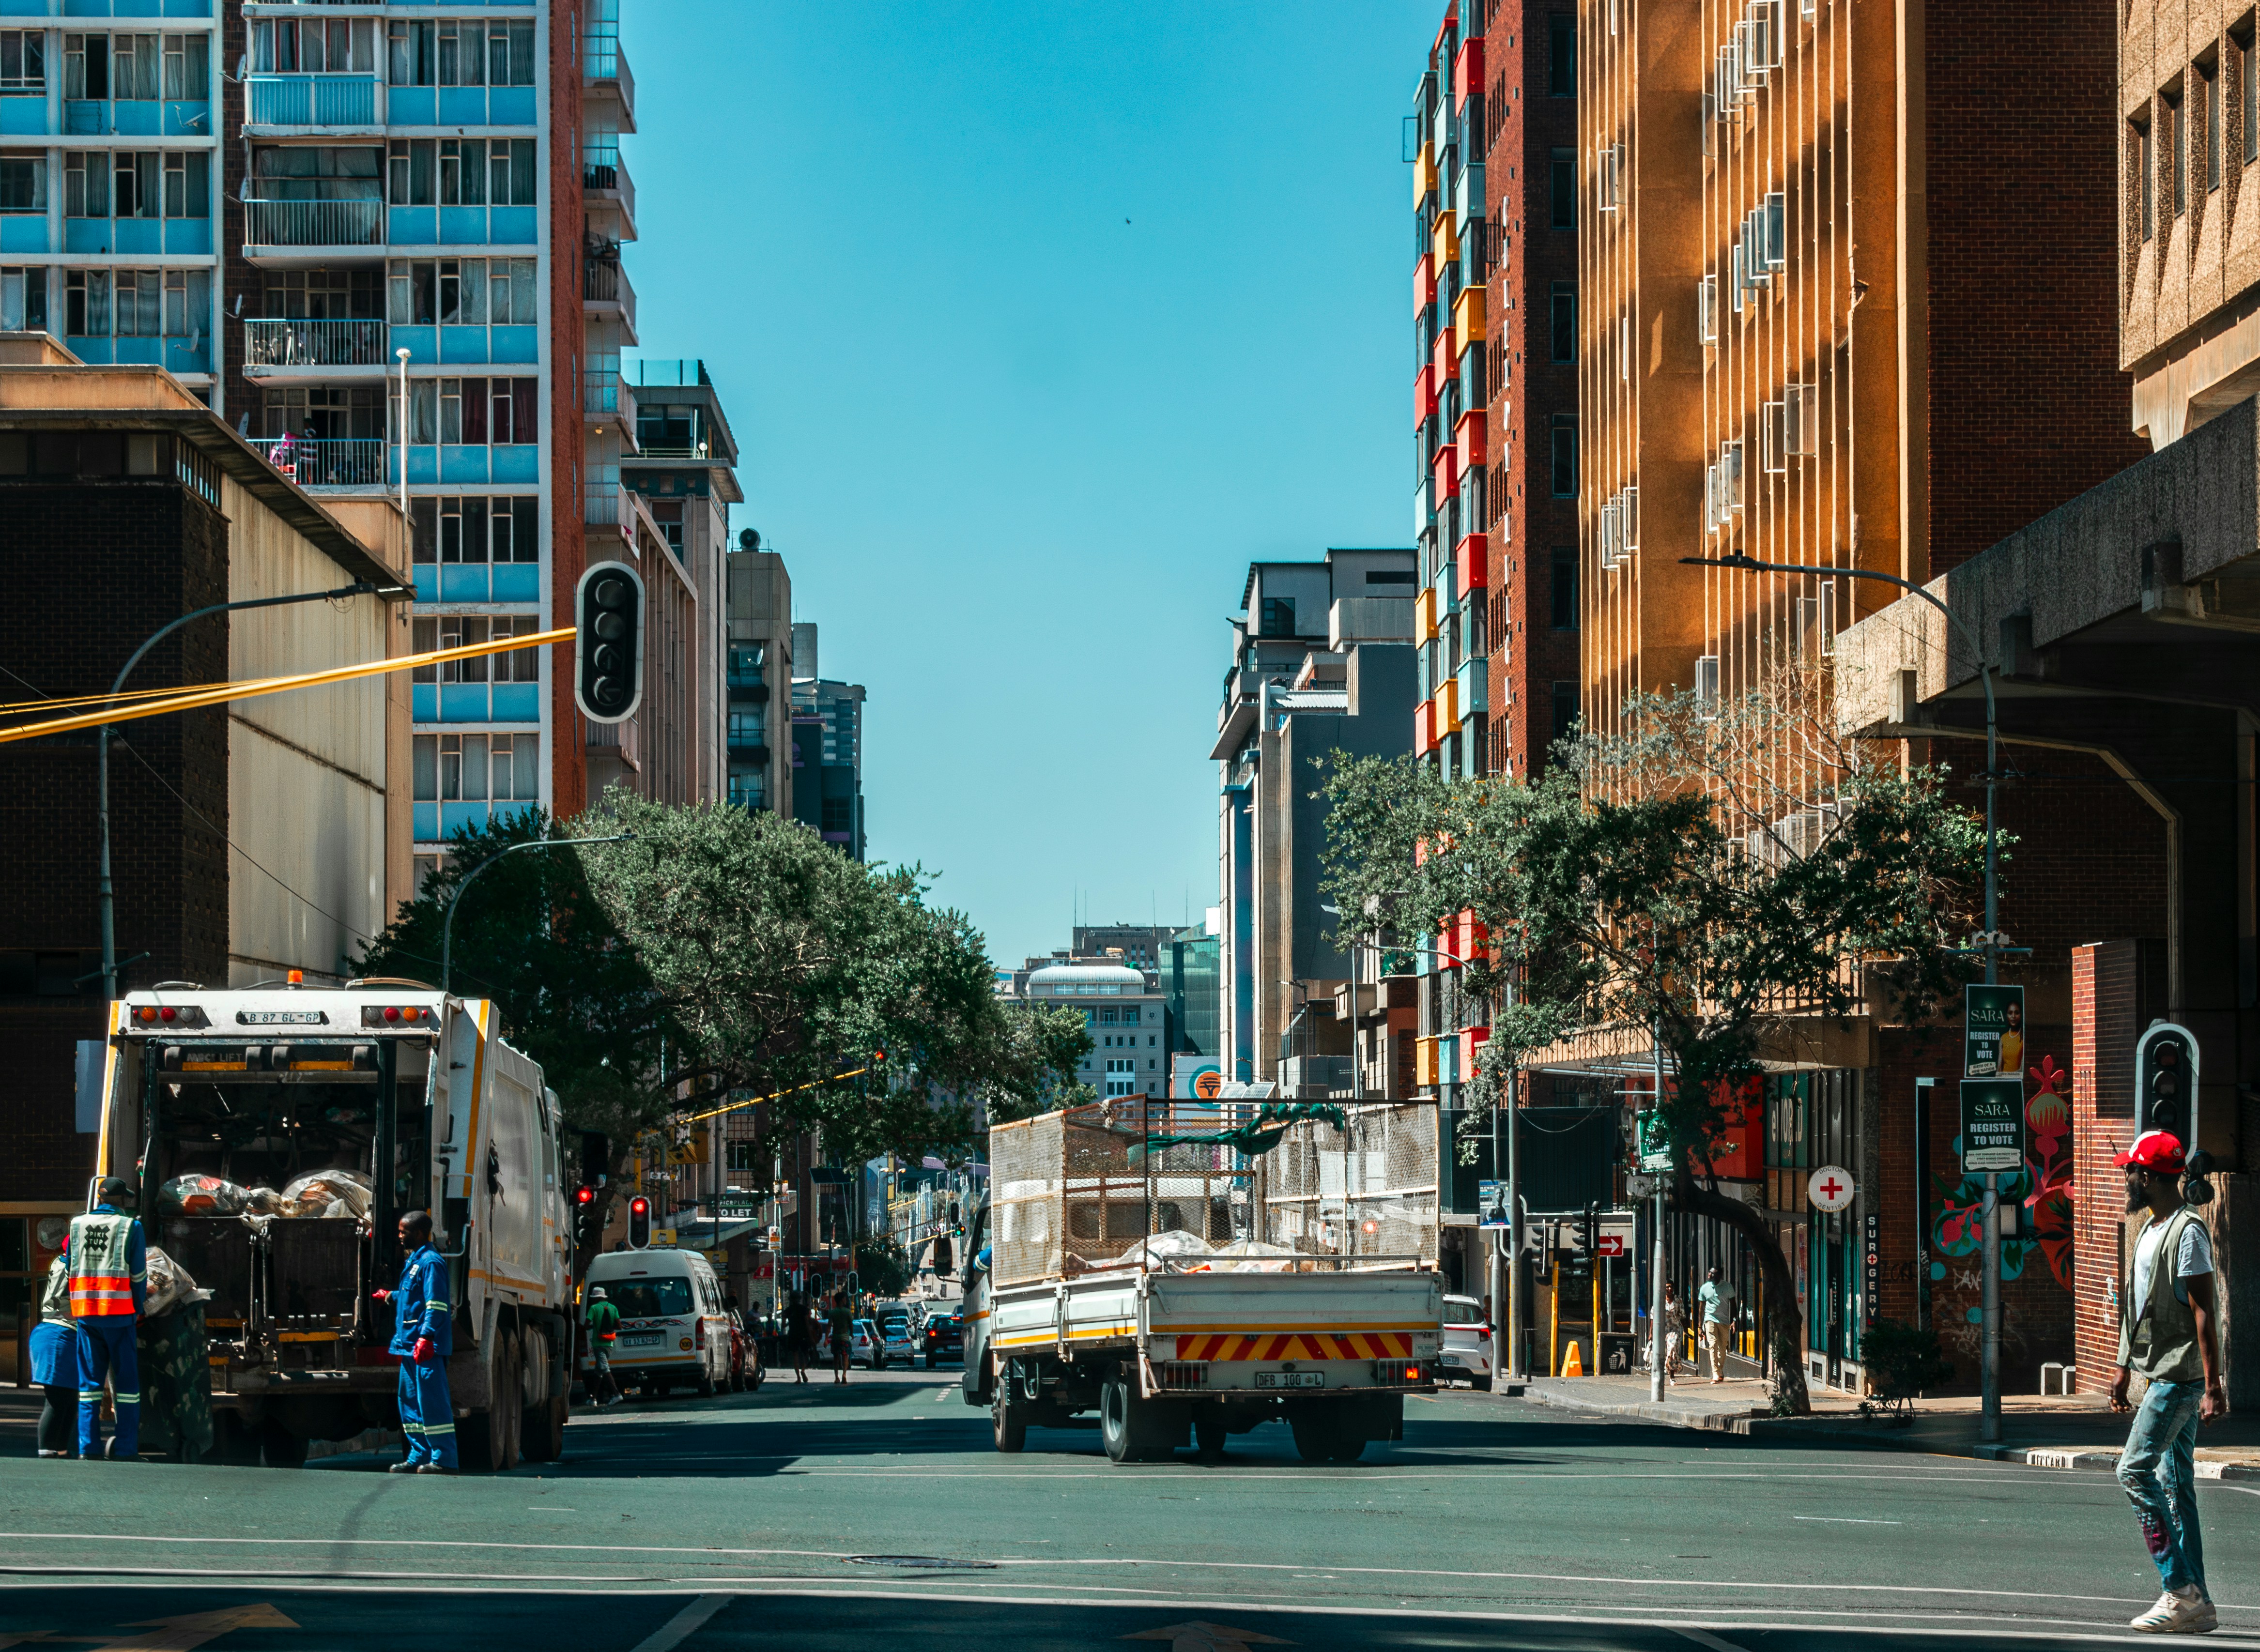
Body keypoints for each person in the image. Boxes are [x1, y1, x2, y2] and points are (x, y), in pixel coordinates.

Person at [2110, 1130, 2223, 1635]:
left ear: (2149, 1176)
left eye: (2130, 1170)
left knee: (2132, 1471)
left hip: (2179, 1377)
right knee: (2175, 1484)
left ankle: (2179, 1590)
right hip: (2157, 1370)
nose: (2126, 1176)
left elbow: (2204, 1312)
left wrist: (2213, 1385)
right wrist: (2121, 1366)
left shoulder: (2187, 1231)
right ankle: (2197, 1602)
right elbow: (2135, 1306)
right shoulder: (2149, 1228)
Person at [64, 1177, 147, 1461]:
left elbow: (70, 1266)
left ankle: (88, 1448)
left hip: (87, 1315)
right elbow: (138, 1275)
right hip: (120, 1315)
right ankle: (125, 1449)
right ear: (122, 1200)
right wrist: (138, 1308)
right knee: (127, 1388)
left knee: (89, 1386)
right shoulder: (130, 1227)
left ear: (100, 1198)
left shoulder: (76, 1225)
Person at [371, 1210, 456, 1474]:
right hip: (409, 1346)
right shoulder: (416, 1261)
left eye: (403, 1231)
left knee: (432, 1403)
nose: (399, 1236)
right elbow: (413, 1298)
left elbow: (436, 1304)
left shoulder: (431, 1263)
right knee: (409, 1403)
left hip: (424, 1348)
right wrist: (390, 1296)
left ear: (419, 1233)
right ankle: (419, 1454)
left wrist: (427, 1336)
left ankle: (444, 1459)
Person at [30, 1255, 75, 1457]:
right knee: (58, 1399)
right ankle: (47, 1450)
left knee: (69, 1400)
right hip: (59, 1334)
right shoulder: (73, 1262)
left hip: (59, 1332)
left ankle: (60, 1450)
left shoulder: (61, 1260)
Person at [584, 1285, 622, 1409]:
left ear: (596, 1298)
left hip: (598, 1344)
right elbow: (619, 1326)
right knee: (599, 1371)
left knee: (604, 1368)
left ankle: (616, 1394)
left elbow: (586, 1325)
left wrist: (594, 1327)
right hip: (609, 1344)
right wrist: (608, 1327)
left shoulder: (594, 1308)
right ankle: (593, 1399)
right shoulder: (613, 1308)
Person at [1697, 1266, 1730, 1384]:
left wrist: (1734, 1320)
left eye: (1713, 1273)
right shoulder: (1705, 1288)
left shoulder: (1727, 1287)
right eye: (1709, 1272)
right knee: (1713, 1345)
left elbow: (1734, 1304)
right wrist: (1700, 1326)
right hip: (1710, 1319)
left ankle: (1720, 1370)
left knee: (1723, 1347)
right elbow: (1701, 1309)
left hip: (1724, 1321)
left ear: (1719, 1275)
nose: (1709, 1275)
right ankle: (1716, 1373)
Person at [1659, 1281, 1687, 1383]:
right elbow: (1653, 1315)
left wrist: (1686, 1329)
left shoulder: (1678, 1300)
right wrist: (1651, 1333)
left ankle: (1672, 1375)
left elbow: (1682, 1315)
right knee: (1665, 1352)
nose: (1669, 1289)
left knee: (1672, 1348)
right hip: (1663, 1330)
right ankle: (1664, 1371)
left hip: (1675, 1329)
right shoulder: (1660, 1299)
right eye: (1667, 1287)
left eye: (1671, 1287)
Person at [828, 1293, 852, 1385]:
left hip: (836, 1338)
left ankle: (837, 1377)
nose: (846, 1301)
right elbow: (851, 1325)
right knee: (845, 1356)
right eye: (845, 1299)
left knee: (836, 1357)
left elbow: (829, 1326)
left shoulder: (832, 1312)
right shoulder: (848, 1312)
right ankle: (844, 1374)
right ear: (842, 1300)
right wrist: (852, 1334)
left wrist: (826, 1338)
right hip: (845, 1338)